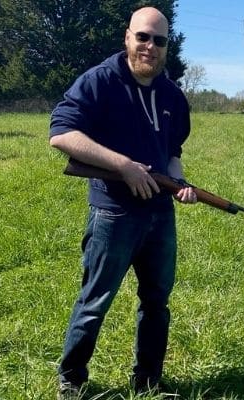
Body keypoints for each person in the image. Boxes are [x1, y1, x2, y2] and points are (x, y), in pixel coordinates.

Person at [49, 6, 196, 398]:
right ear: (128, 37)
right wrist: (123, 166)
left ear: (167, 47)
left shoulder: (172, 96)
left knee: (156, 303)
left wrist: (177, 182)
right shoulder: (99, 82)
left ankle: (147, 380)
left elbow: (173, 150)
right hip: (113, 214)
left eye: (159, 40)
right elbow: (61, 134)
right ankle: (71, 381)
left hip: (159, 216)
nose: (150, 46)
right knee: (94, 302)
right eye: (143, 37)